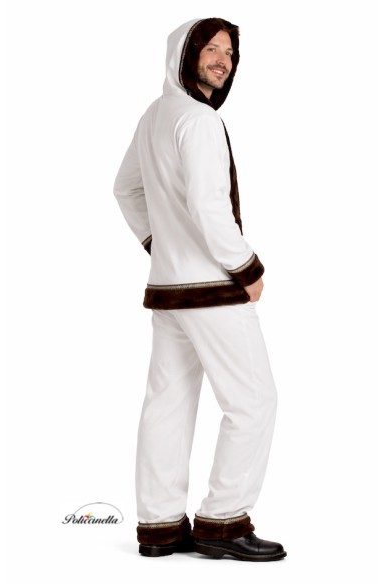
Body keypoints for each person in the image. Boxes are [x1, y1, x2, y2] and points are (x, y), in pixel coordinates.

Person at [113, 17, 286, 562]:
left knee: (168, 403)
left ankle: (160, 526)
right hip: (211, 289)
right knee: (253, 400)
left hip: (169, 288)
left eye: (228, 52)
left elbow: (125, 189)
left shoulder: (154, 115)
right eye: (210, 48)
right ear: (184, 54)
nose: (221, 60)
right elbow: (211, 209)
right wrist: (248, 269)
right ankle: (223, 522)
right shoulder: (199, 120)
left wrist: (158, 244)